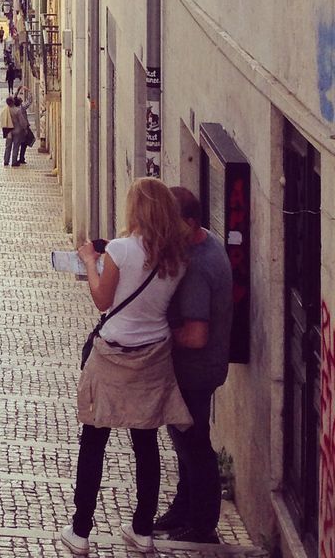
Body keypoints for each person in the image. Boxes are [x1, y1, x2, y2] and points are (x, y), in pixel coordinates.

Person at [61, 178, 192, 555]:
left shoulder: (120, 249)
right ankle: (142, 529)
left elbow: (103, 300)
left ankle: (81, 532)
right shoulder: (178, 256)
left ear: (136, 209)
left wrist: (89, 261)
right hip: (153, 356)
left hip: (114, 356)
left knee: (94, 442)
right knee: (146, 443)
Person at [154, 186, 233, 544]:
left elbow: (196, 335)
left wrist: (158, 336)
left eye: (171, 223)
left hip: (195, 372)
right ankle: (182, 510)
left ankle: (202, 526)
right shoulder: (204, 242)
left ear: (188, 223)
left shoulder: (199, 266)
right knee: (186, 442)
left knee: (195, 447)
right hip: (199, 370)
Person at [11, 98, 33, 165]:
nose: (21, 99)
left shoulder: (13, 109)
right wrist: (29, 91)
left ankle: (17, 159)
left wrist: (18, 89)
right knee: (24, 144)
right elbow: (29, 101)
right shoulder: (22, 109)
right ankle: (21, 158)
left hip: (15, 129)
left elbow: (14, 97)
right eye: (20, 99)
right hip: (23, 129)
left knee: (18, 144)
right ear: (20, 102)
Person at [1, 97, 19, 165]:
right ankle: (14, 161)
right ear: (13, 102)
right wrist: (25, 127)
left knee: (8, 146)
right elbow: (22, 121)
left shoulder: (4, 110)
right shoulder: (17, 110)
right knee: (15, 146)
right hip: (17, 131)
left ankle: (6, 161)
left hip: (8, 131)